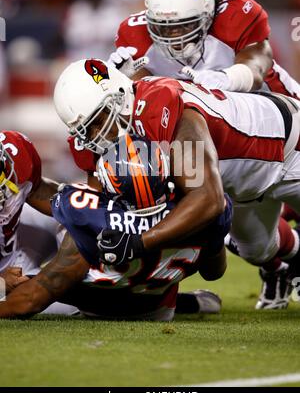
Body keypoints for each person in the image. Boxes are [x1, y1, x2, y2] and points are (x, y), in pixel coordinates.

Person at [53, 59, 300, 310]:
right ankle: (289, 262)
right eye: (87, 130)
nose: (96, 136)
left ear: (118, 97)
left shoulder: (162, 108)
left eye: (99, 120)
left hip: (289, 145)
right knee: (257, 250)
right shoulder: (102, 142)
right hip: (239, 183)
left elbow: (206, 199)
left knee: (203, 213)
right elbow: (105, 206)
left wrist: (139, 242)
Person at [0, 134, 230, 320]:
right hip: (160, 309)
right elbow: (214, 272)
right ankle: (190, 302)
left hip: (97, 305)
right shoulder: (203, 211)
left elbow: (28, 302)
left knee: (27, 275)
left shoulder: (90, 220)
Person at [108, 0, 300, 99]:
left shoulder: (235, 15)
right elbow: (151, 102)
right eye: (165, 28)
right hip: (214, 132)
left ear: (207, 10)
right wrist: (126, 84)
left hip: (275, 107)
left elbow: (257, 64)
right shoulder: (135, 33)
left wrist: (230, 78)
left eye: (185, 24)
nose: (177, 37)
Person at [0, 130, 78, 314]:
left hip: (15, 249)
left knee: (76, 217)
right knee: (68, 306)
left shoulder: (16, 158)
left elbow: (38, 191)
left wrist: (89, 205)